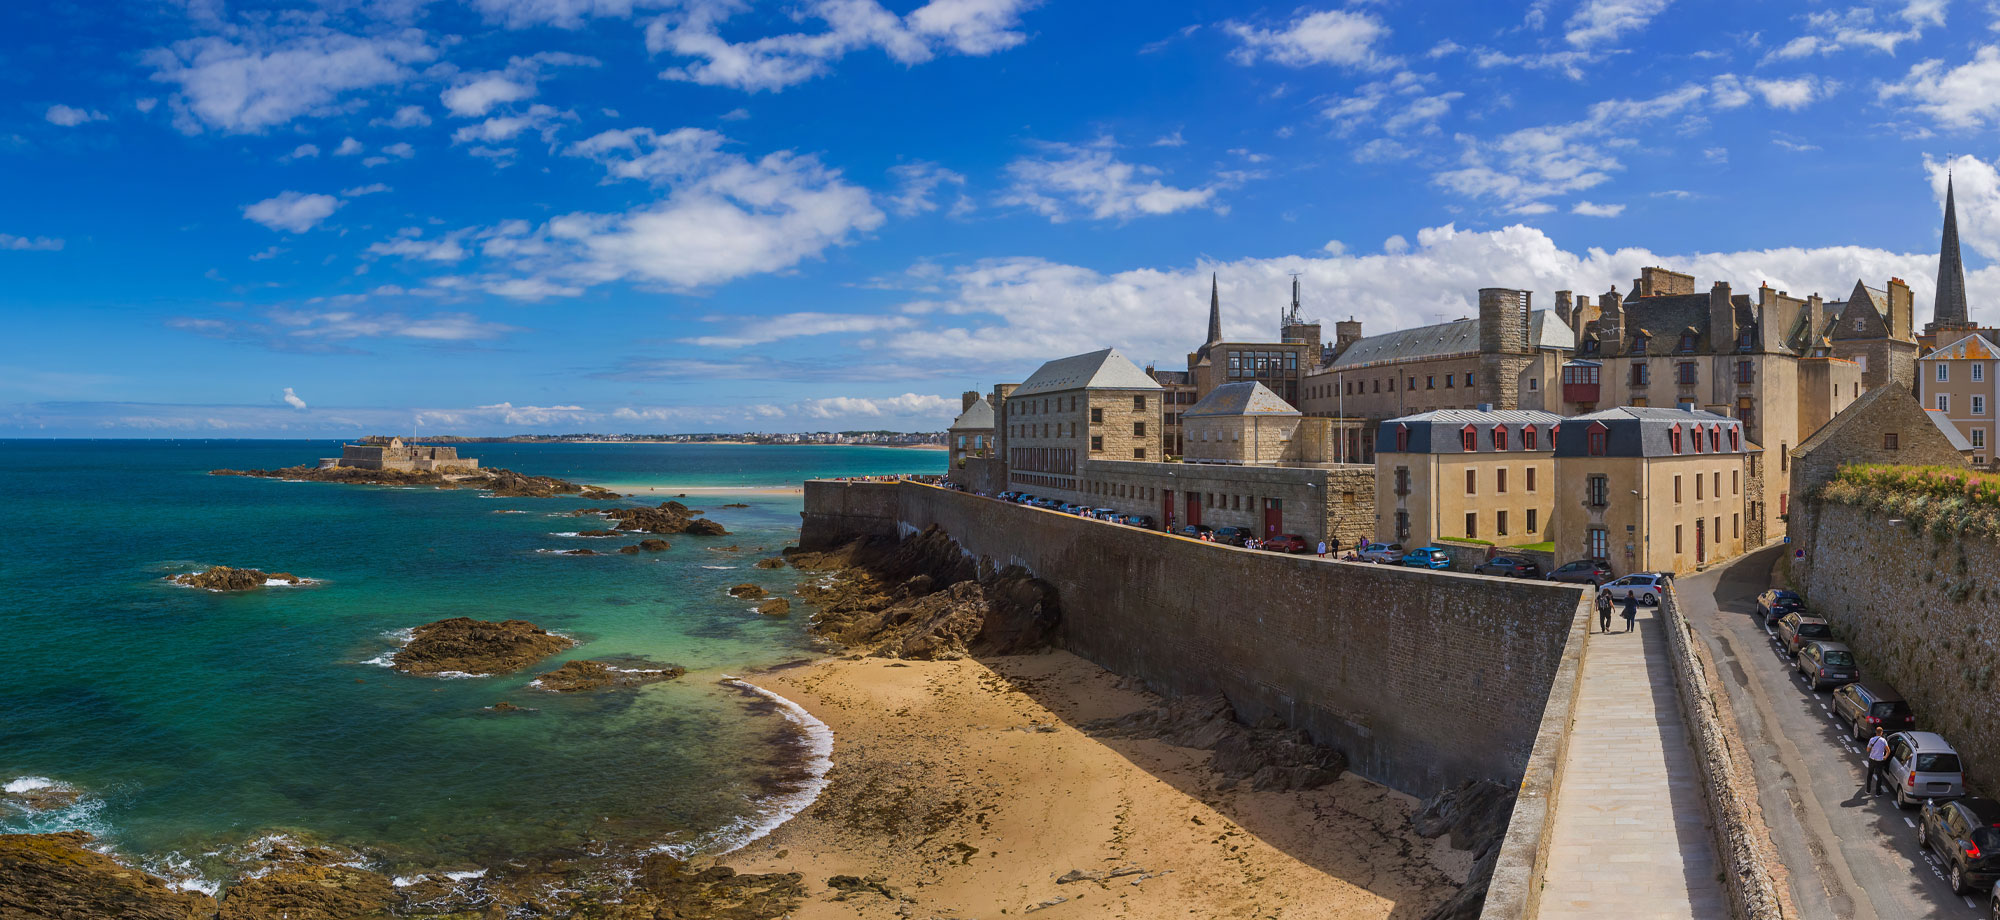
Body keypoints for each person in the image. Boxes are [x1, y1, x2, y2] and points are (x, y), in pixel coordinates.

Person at [1865, 727, 1891, 795]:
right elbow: (1888, 751)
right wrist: (1885, 757)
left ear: (1876, 732)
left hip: (1872, 759)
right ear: (1881, 733)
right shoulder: (1883, 740)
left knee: (1869, 774)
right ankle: (1878, 793)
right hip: (1879, 761)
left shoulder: (1872, 739)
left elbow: (1867, 750)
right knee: (1879, 776)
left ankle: (1868, 790)